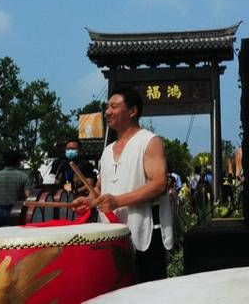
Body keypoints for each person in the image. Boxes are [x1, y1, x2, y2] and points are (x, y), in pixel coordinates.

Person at [72, 87, 174, 283]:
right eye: (106, 107)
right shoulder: (108, 150)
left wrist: (117, 201)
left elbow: (159, 185)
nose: (107, 112)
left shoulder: (150, 141)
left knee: (148, 294)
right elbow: (101, 190)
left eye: (114, 106)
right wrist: (89, 201)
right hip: (112, 235)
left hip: (146, 232)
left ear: (132, 111)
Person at [0, 150, 33, 228]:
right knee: (13, 238)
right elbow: (29, 197)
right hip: (15, 212)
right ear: (17, 162)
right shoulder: (24, 177)